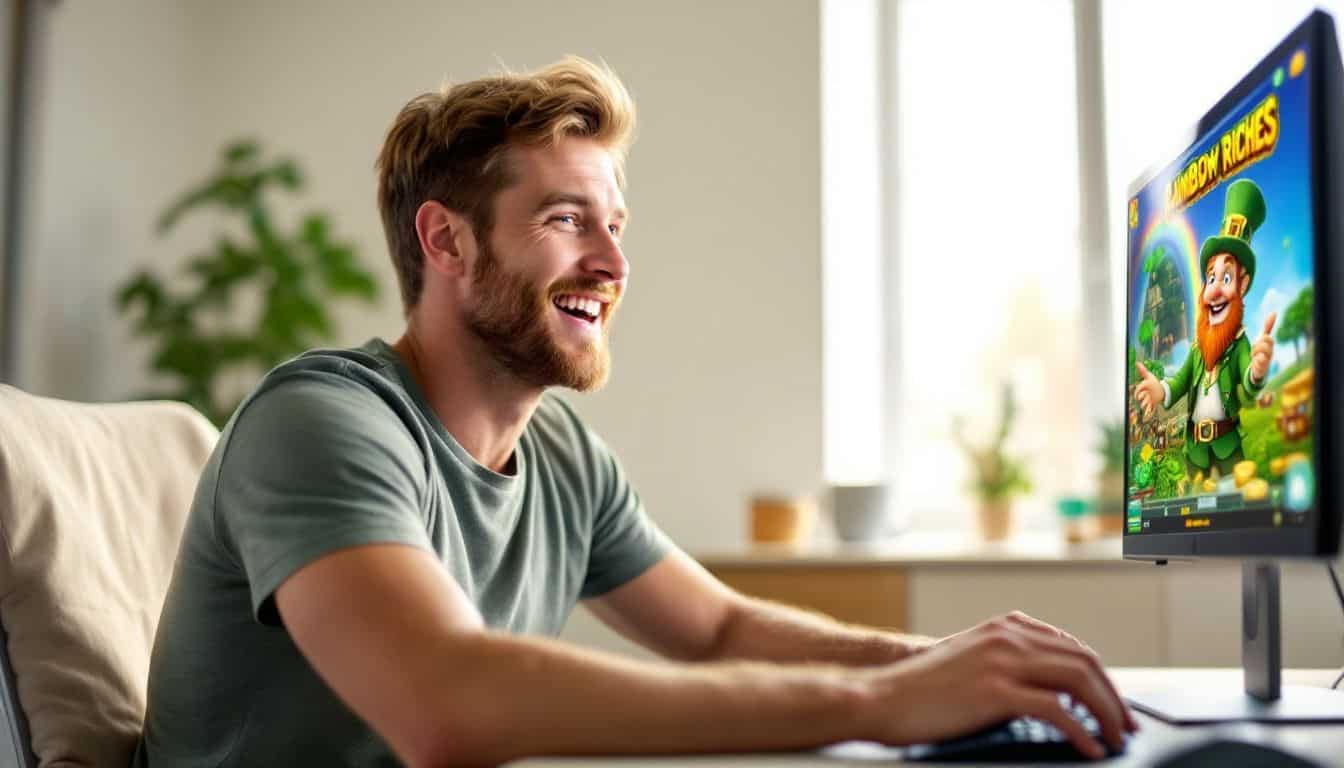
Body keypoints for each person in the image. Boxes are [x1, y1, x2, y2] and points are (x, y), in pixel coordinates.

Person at [134, 56, 1138, 767]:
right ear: (446, 242)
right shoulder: (323, 422)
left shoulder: (560, 453)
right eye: (567, 221)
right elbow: (446, 702)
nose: (613, 265)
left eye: (615, 225)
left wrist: (950, 661)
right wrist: (881, 703)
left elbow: (721, 629)